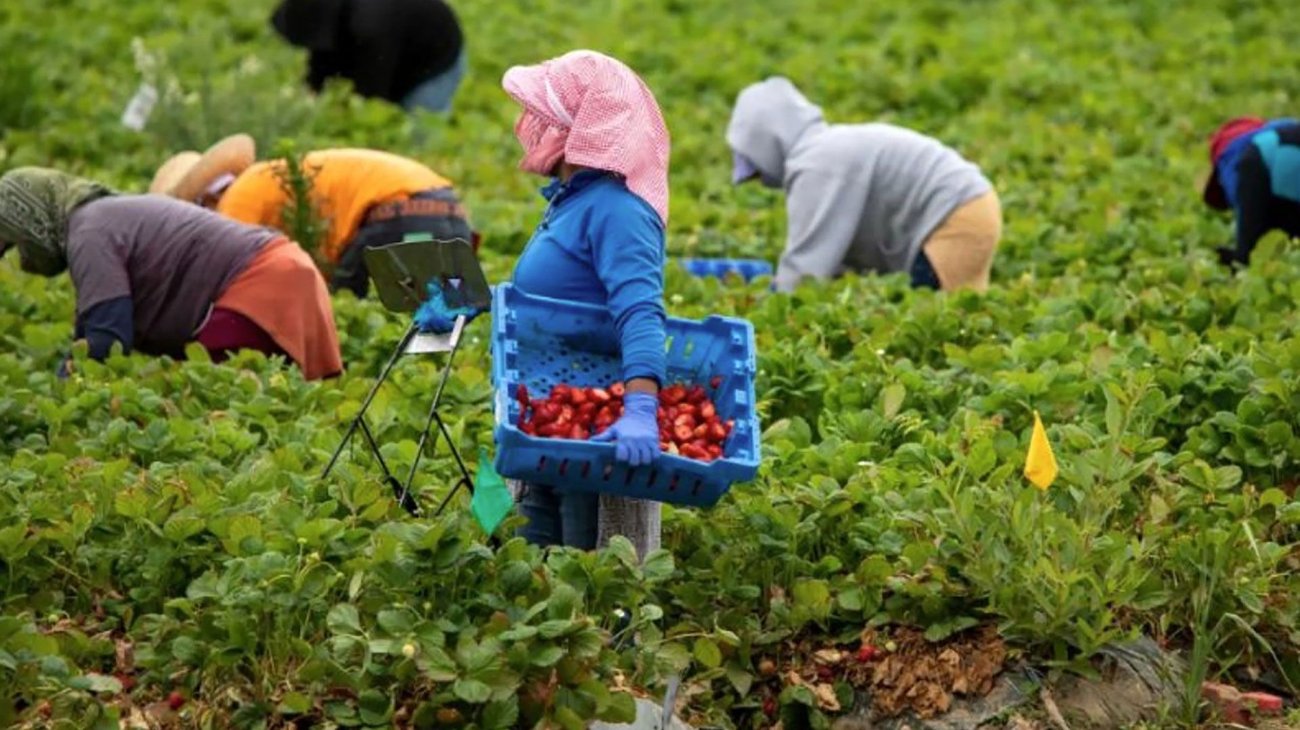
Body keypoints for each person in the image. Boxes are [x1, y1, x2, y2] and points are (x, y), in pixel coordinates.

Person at [502, 50, 671, 557]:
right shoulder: (573, 199)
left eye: (548, 118)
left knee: (587, 575)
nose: (533, 126)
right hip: (547, 419)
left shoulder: (619, 211)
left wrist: (641, 407)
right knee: (530, 570)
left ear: (581, 128)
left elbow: (640, 310)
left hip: (594, 430)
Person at [0, 167, 342, 380]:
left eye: (16, 241)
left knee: (211, 400)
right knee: (260, 401)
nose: (23, 255)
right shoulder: (101, 218)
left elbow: (108, 332)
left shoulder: (89, 232)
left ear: (33, 221)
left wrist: (60, 394)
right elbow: (90, 325)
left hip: (262, 285)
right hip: (283, 272)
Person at [726, 77, 1001, 293]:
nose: (760, 180)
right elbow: (834, 249)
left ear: (768, 143)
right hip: (973, 205)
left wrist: (772, 310)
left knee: (937, 318)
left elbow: (806, 264)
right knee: (963, 315)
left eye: (756, 169)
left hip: (952, 218)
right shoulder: (827, 149)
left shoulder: (815, 164)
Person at [149, 136, 476, 297]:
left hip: (397, 218)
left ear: (202, 201)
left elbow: (226, 272)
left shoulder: (238, 197)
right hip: (448, 210)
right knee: (442, 328)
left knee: (348, 308)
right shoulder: (267, 178)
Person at [270, 0, 467, 114]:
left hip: (434, 61)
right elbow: (321, 58)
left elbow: (373, 96)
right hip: (394, 45)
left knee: (417, 138)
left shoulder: (370, 24)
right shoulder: (324, 12)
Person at [1201, 116, 1300, 266]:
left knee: (1247, 258)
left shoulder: (1229, 157)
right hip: (1289, 143)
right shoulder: (1278, 126)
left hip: (1267, 153)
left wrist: (1242, 252)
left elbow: (1250, 206)